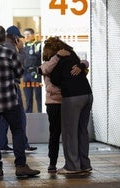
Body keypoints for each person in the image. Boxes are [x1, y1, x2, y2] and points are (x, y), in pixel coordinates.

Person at [0, 25, 40, 177]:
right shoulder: (8, 52)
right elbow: (19, 72)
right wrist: (20, 51)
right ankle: (20, 166)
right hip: (8, 100)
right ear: (4, 37)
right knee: (17, 130)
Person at [39, 36, 89, 173]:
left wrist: (82, 65)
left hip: (70, 101)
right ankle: (53, 163)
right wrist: (66, 88)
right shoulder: (50, 64)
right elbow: (47, 83)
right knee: (56, 134)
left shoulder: (69, 60)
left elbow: (84, 62)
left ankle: (75, 164)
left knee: (72, 134)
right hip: (55, 103)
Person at [0, 26, 37, 152]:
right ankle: (23, 145)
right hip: (12, 87)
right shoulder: (11, 48)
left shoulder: (1, 47)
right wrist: (21, 50)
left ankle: (2, 144)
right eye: (18, 38)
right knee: (20, 117)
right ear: (14, 38)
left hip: (2, 88)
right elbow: (20, 67)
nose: (20, 40)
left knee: (4, 118)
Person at [23, 28, 42, 113]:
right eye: (25, 35)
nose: (26, 36)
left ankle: (40, 113)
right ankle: (28, 114)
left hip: (35, 74)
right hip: (26, 74)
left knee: (38, 95)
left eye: (28, 34)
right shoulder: (23, 46)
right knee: (28, 96)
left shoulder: (37, 45)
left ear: (33, 35)